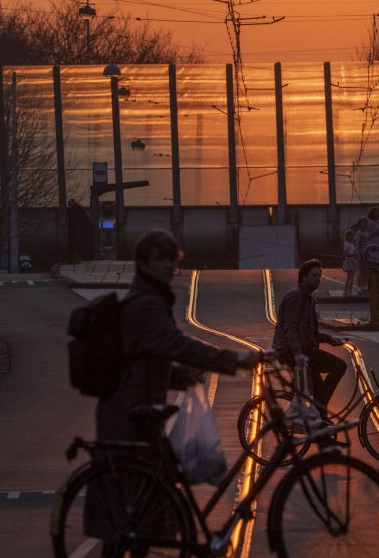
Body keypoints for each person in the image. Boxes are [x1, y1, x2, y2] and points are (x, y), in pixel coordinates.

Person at [87, 230, 260, 554]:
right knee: (135, 512)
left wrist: (184, 378)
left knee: (144, 506)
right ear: (143, 263)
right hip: (130, 414)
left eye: (172, 260)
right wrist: (232, 358)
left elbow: (148, 359)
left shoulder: (149, 298)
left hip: (139, 410)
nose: (168, 266)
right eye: (160, 259)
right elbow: (174, 344)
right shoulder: (146, 304)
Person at [272, 259, 347, 420]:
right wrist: (298, 354)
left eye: (319, 276)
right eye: (314, 276)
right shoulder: (296, 297)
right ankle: (316, 414)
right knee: (339, 366)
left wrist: (329, 339)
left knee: (320, 392)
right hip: (290, 352)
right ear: (303, 277)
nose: (317, 279)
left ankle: (321, 432)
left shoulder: (308, 299)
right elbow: (290, 329)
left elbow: (310, 333)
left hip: (302, 350)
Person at [341, 229, 357, 297]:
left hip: (352, 261)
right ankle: (348, 291)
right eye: (349, 236)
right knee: (351, 277)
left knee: (351, 277)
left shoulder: (351, 244)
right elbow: (345, 254)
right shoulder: (347, 244)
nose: (351, 237)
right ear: (346, 237)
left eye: (352, 236)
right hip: (349, 261)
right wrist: (353, 255)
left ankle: (347, 290)